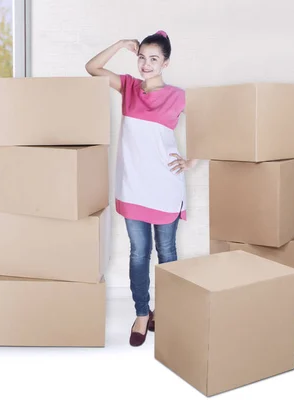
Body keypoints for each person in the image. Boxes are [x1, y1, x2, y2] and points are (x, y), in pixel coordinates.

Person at [85, 30, 197, 347]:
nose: (146, 65)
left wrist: (193, 160)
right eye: (142, 58)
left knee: (168, 252)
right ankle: (141, 313)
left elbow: (211, 123)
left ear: (165, 62)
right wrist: (120, 44)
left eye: (153, 59)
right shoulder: (129, 87)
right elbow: (92, 67)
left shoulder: (179, 96)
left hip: (165, 186)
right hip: (132, 185)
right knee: (138, 253)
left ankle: (168, 310)